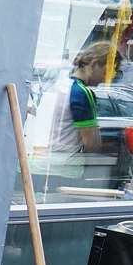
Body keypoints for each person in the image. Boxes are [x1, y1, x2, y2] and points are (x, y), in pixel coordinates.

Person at [38, 41, 109, 190]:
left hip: (39, 164)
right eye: (106, 72)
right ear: (94, 64)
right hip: (65, 171)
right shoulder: (82, 92)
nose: (106, 79)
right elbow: (91, 144)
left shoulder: (56, 85)